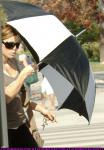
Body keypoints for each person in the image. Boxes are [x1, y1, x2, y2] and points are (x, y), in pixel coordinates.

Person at [2, 24, 55, 147]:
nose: (14, 48)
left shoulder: (16, 63)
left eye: (17, 44)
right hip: (4, 130)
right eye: (10, 45)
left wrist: (43, 109)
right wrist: (22, 76)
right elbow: (6, 97)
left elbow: (21, 99)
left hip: (21, 125)